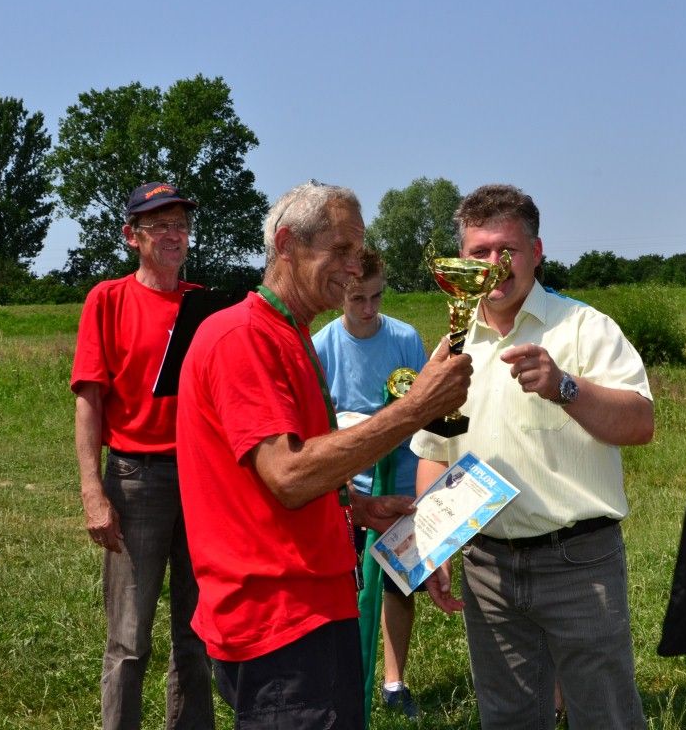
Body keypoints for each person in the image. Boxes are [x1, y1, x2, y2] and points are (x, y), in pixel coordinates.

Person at [175, 180, 473, 729]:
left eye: (358, 251)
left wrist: (355, 508)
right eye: (340, 249)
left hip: (311, 608)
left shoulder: (290, 334)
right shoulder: (244, 337)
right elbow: (288, 475)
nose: (354, 268)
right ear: (286, 244)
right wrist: (415, 408)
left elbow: (275, 473)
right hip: (282, 622)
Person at [411, 184, 654, 730]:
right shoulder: (453, 346)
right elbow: (434, 452)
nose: (494, 265)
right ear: (462, 259)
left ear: (537, 252)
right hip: (487, 568)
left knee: (605, 716)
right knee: (508, 718)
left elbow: (640, 423)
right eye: (480, 252)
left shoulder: (584, 328)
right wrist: (435, 543)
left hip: (577, 565)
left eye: (508, 250)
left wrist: (565, 387)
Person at [70, 182, 214, 730]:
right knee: (129, 639)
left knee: (197, 632)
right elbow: (89, 400)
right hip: (136, 479)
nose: (174, 235)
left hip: (201, 479)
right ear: (132, 236)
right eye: (159, 226)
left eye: (181, 225)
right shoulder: (107, 300)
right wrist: (93, 491)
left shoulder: (203, 304)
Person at [313, 247, 428, 719]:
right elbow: (317, 424)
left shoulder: (405, 338)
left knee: (400, 587)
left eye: (376, 297)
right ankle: (344, 679)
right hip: (350, 491)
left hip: (401, 485)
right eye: (357, 298)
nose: (368, 309)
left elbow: (426, 409)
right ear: (340, 293)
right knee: (347, 588)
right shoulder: (322, 346)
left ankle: (394, 681)